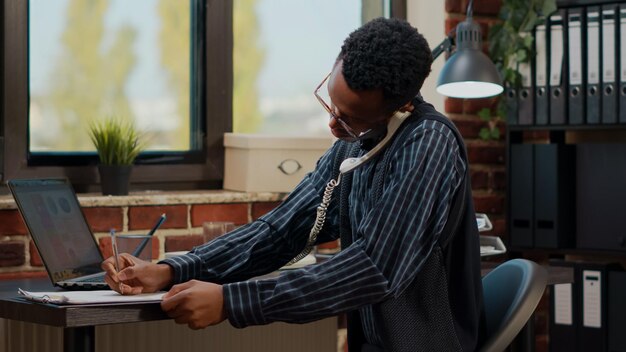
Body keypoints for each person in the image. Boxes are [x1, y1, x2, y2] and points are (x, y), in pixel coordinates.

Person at [102, 17, 485, 351]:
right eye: (331, 105)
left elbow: (374, 269)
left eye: (349, 118)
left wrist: (232, 302)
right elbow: (281, 230)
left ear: (399, 107)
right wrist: (173, 269)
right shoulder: (355, 143)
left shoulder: (429, 144)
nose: (334, 126)